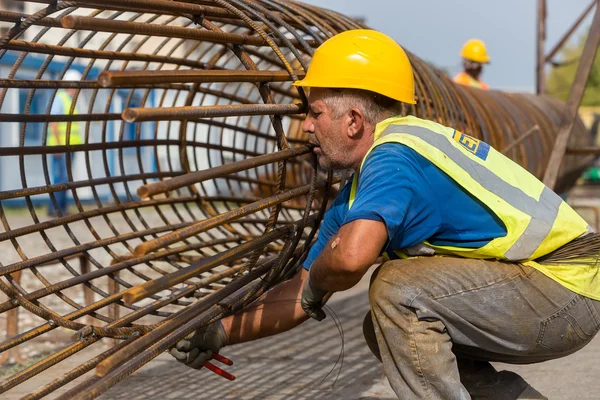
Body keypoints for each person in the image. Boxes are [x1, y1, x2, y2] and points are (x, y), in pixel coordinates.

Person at [170, 30, 600, 400]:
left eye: (315, 113)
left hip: (568, 292)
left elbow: (352, 258)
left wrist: (325, 273)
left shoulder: (394, 160)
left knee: (396, 289)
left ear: (354, 120)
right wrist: (222, 331)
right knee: (387, 329)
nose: (305, 127)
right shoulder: (369, 181)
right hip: (555, 288)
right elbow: (303, 294)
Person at [47, 69, 83, 217]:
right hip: (60, 146)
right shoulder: (60, 98)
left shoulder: (70, 100)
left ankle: (62, 208)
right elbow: (53, 121)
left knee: (66, 177)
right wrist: (57, 144)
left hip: (69, 146)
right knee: (59, 177)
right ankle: (55, 208)